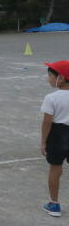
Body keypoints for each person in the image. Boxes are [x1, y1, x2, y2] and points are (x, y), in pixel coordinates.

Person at [40, 60, 69, 217]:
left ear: (61, 78)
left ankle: (54, 204)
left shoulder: (51, 98)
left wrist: (43, 141)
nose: (48, 79)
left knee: (55, 168)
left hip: (58, 134)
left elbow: (47, 122)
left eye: (50, 76)